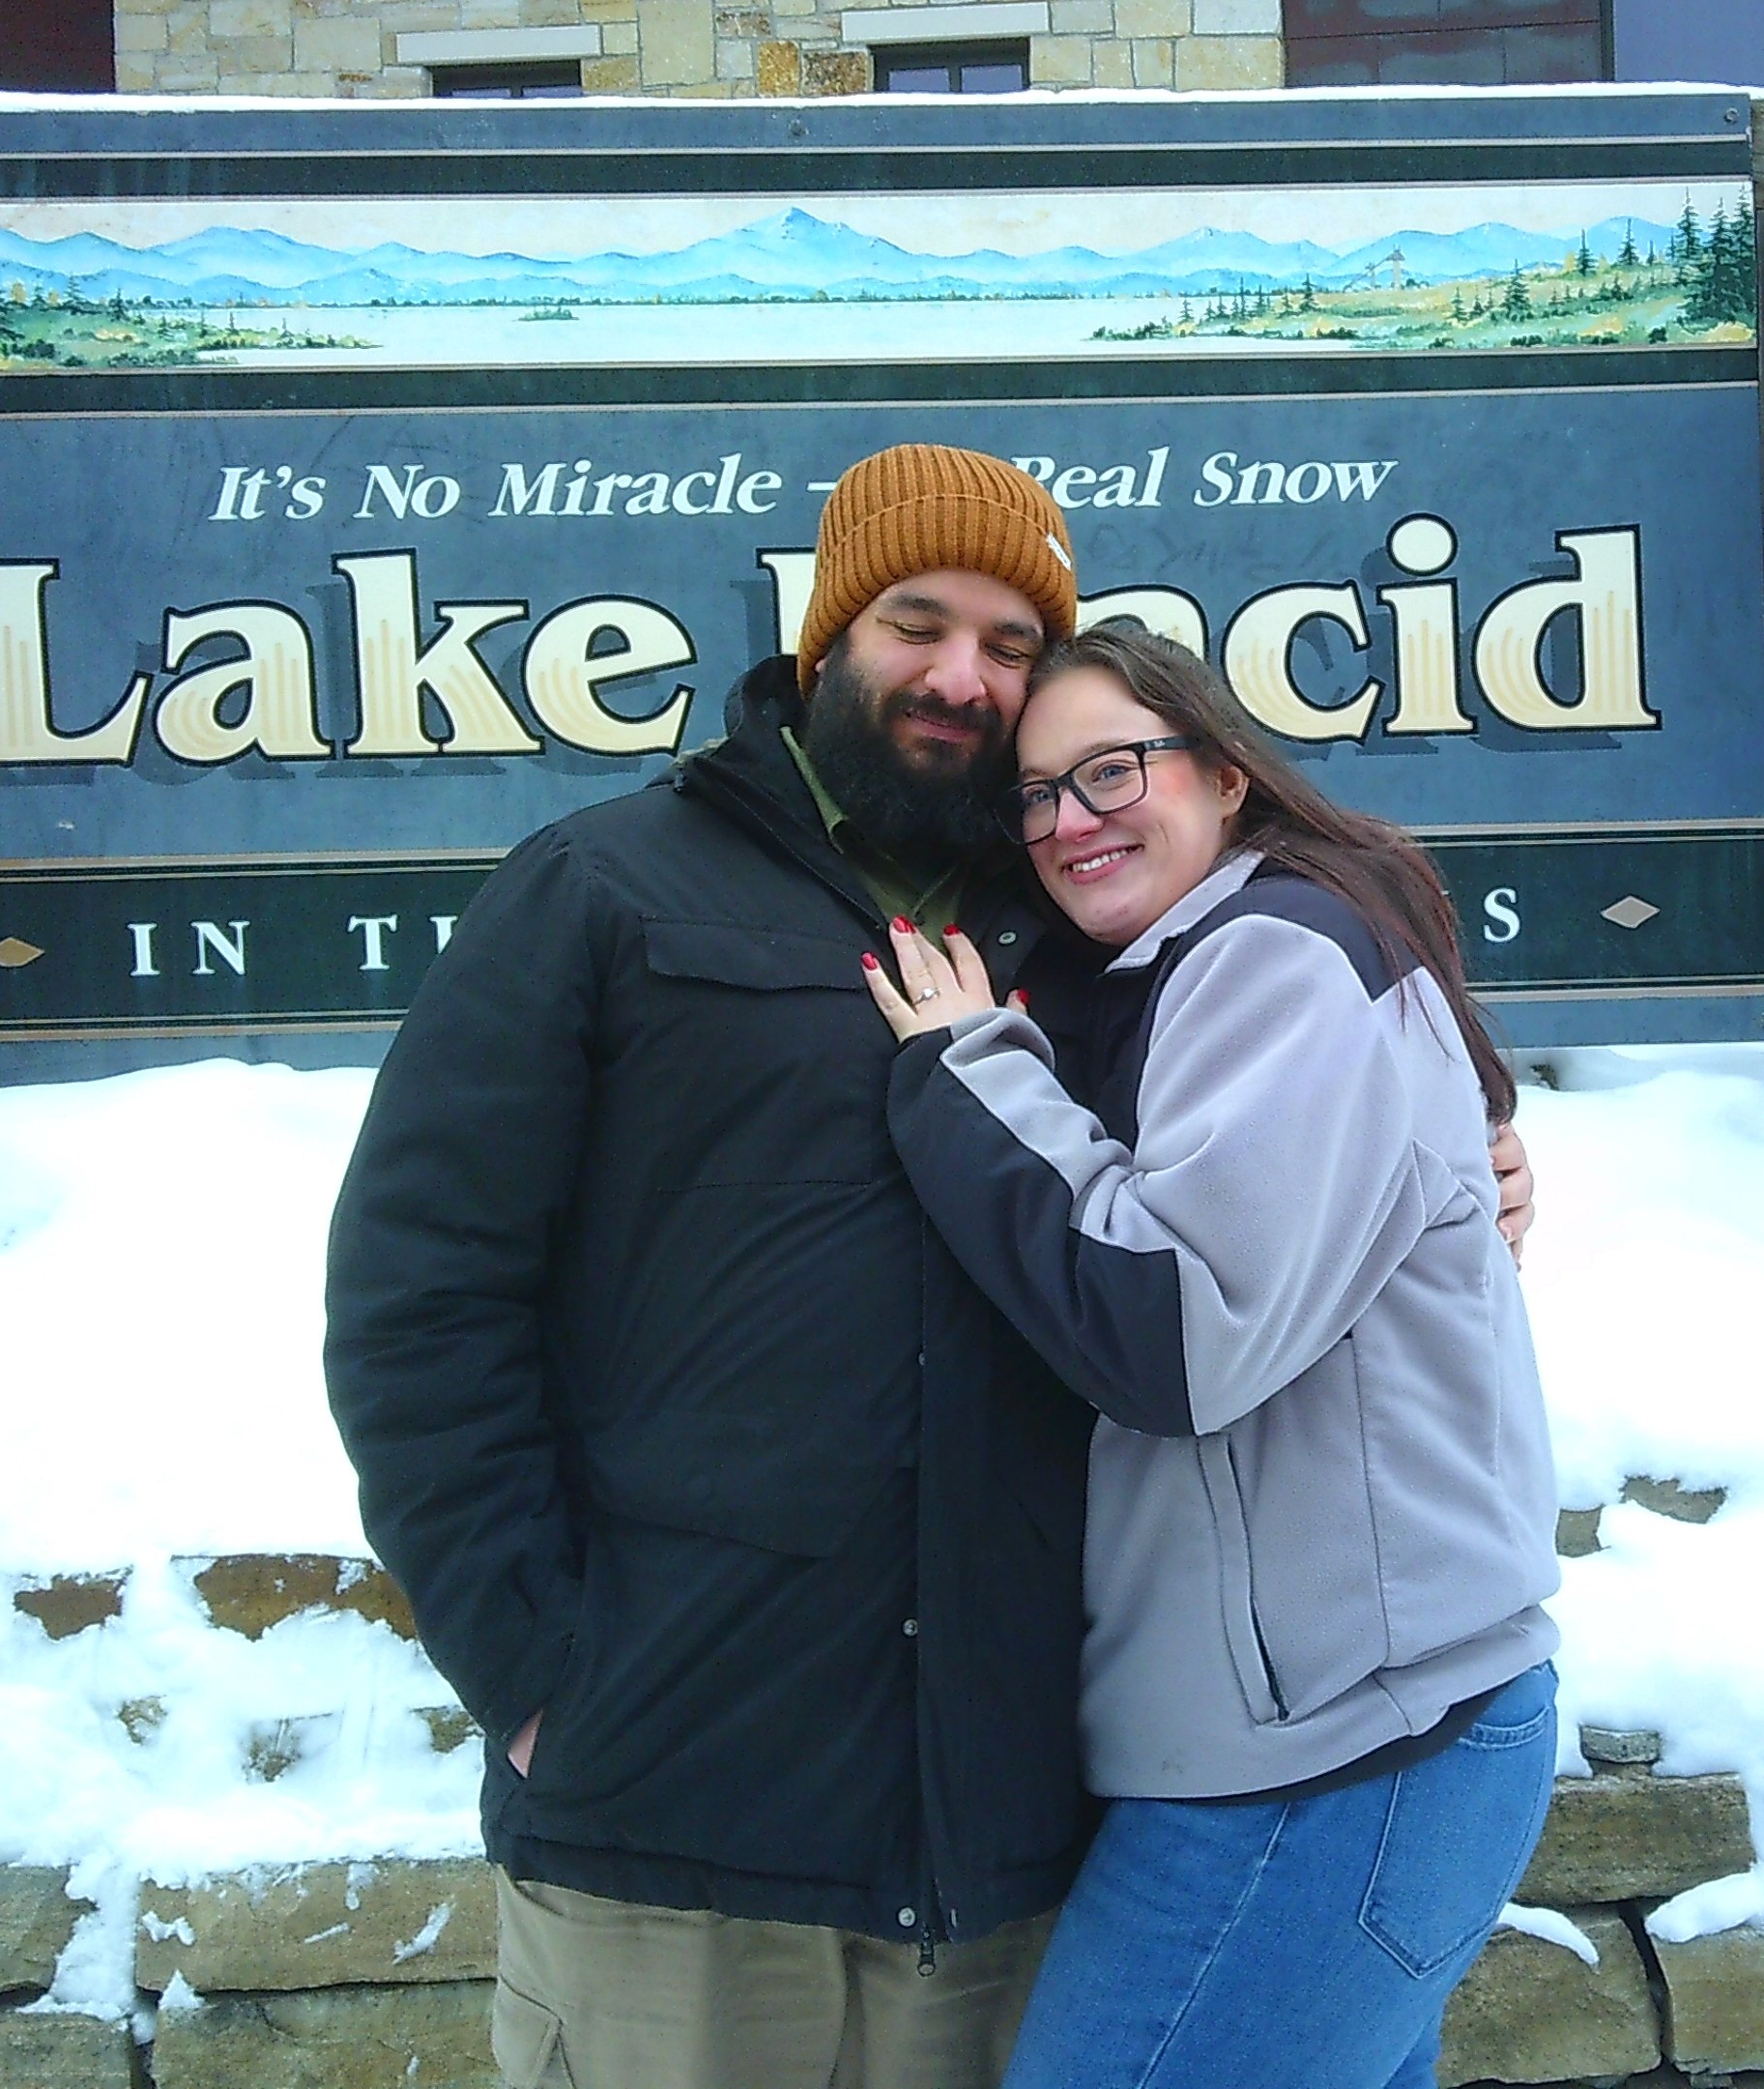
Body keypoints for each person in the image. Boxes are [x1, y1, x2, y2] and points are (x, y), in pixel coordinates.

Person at [323, 441, 1540, 2089]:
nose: (963, 677)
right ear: (827, 637)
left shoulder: (1084, 923)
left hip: (1008, 1833)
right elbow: (420, 1294)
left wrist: (1463, 1160)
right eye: (918, 621)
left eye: (1012, 643)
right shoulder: (604, 889)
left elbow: (1241, 1178)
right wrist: (533, 1667)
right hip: (676, 1810)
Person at [863, 621, 1561, 2089]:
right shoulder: (1169, 969)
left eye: (1112, 767)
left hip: (1339, 1761)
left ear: (1229, 772)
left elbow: (1173, 1332)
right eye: (1036, 794)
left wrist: (966, 1065)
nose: (1069, 818)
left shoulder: (1275, 956)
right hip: (1316, 1741)